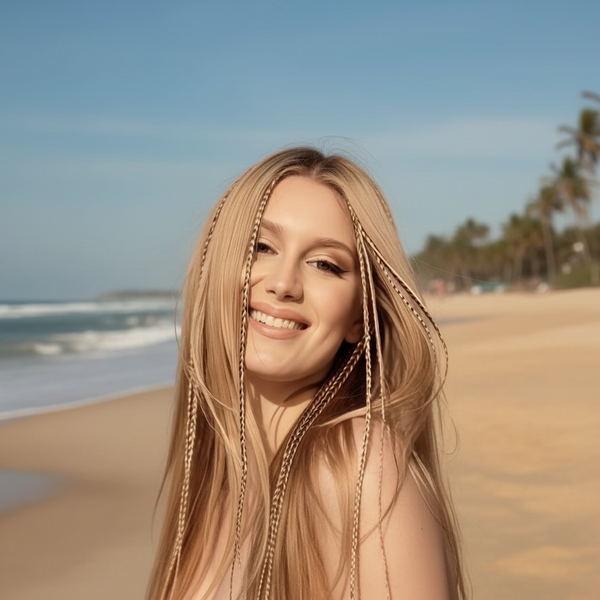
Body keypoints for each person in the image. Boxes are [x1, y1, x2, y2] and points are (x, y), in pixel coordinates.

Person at [146, 147, 466, 600]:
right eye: (261, 246)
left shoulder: (361, 469)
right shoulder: (217, 486)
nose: (283, 283)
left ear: (360, 316)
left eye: (325, 264)